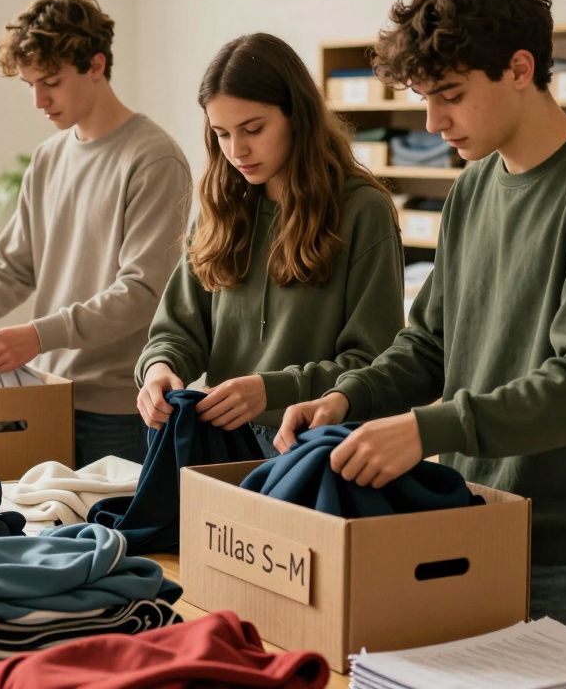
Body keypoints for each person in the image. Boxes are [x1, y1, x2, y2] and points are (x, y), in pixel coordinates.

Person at [275, 0, 566, 644]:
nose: (433, 122)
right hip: (469, 519)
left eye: (450, 95)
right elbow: (429, 343)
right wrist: (347, 397)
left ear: (520, 68)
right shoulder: (474, 186)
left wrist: (426, 430)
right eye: (425, 97)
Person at [0, 0, 192, 467]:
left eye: (51, 82)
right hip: (45, 394)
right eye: (29, 84)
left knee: (122, 541)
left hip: (121, 408)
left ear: (96, 65)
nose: (39, 100)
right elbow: (15, 267)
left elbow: (144, 290)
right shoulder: (48, 157)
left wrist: (38, 335)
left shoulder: (153, 158)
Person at [135, 33, 404, 458]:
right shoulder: (222, 205)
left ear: (297, 115)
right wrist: (159, 370)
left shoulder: (361, 210)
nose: (237, 150)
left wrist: (272, 389)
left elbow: (376, 363)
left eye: (253, 129)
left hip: (315, 449)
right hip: (222, 445)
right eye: (222, 134)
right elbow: (177, 331)